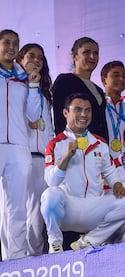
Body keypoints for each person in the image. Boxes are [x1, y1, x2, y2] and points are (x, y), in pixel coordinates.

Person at [40, 93, 125, 253]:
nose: (84, 114)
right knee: (50, 195)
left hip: (93, 207)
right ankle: (55, 243)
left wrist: (117, 184)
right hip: (67, 209)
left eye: (88, 110)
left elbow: (110, 172)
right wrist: (66, 157)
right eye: (77, 109)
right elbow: (51, 181)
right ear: (66, 113)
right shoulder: (55, 144)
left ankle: (90, 240)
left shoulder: (100, 143)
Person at [0, 29, 41, 260]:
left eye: (16, 43)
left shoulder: (23, 78)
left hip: (18, 147)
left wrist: (34, 86)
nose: (11, 47)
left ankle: (15, 261)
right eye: (6, 42)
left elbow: (33, 116)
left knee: (17, 208)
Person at [16, 43, 55, 256]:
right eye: (31, 56)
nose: (36, 60)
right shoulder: (13, 87)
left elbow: (48, 128)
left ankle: (35, 259)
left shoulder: (44, 92)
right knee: (19, 213)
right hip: (23, 157)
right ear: (21, 60)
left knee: (39, 215)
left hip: (44, 160)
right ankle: (15, 260)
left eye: (40, 57)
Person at [51, 37, 108, 141]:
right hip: (74, 147)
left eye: (96, 53)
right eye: (86, 52)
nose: (92, 56)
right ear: (74, 56)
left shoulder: (98, 90)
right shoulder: (65, 81)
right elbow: (59, 117)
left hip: (97, 149)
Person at [101, 60, 125, 160]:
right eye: (115, 75)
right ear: (104, 80)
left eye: (123, 76)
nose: (121, 79)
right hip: (104, 165)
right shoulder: (98, 107)